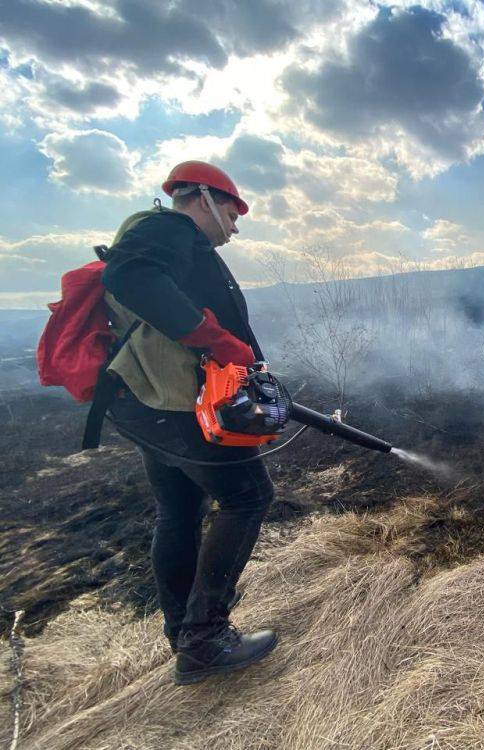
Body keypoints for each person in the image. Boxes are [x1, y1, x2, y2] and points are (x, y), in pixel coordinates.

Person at [102, 161, 278, 685]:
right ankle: (204, 638)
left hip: (151, 405)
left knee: (178, 509)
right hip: (178, 408)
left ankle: (184, 632)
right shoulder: (167, 228)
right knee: (248, 496)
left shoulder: (176, 242)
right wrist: (211, 337)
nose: (235, 225)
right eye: (231, 211)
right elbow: (130, 277)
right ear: (201, 197)